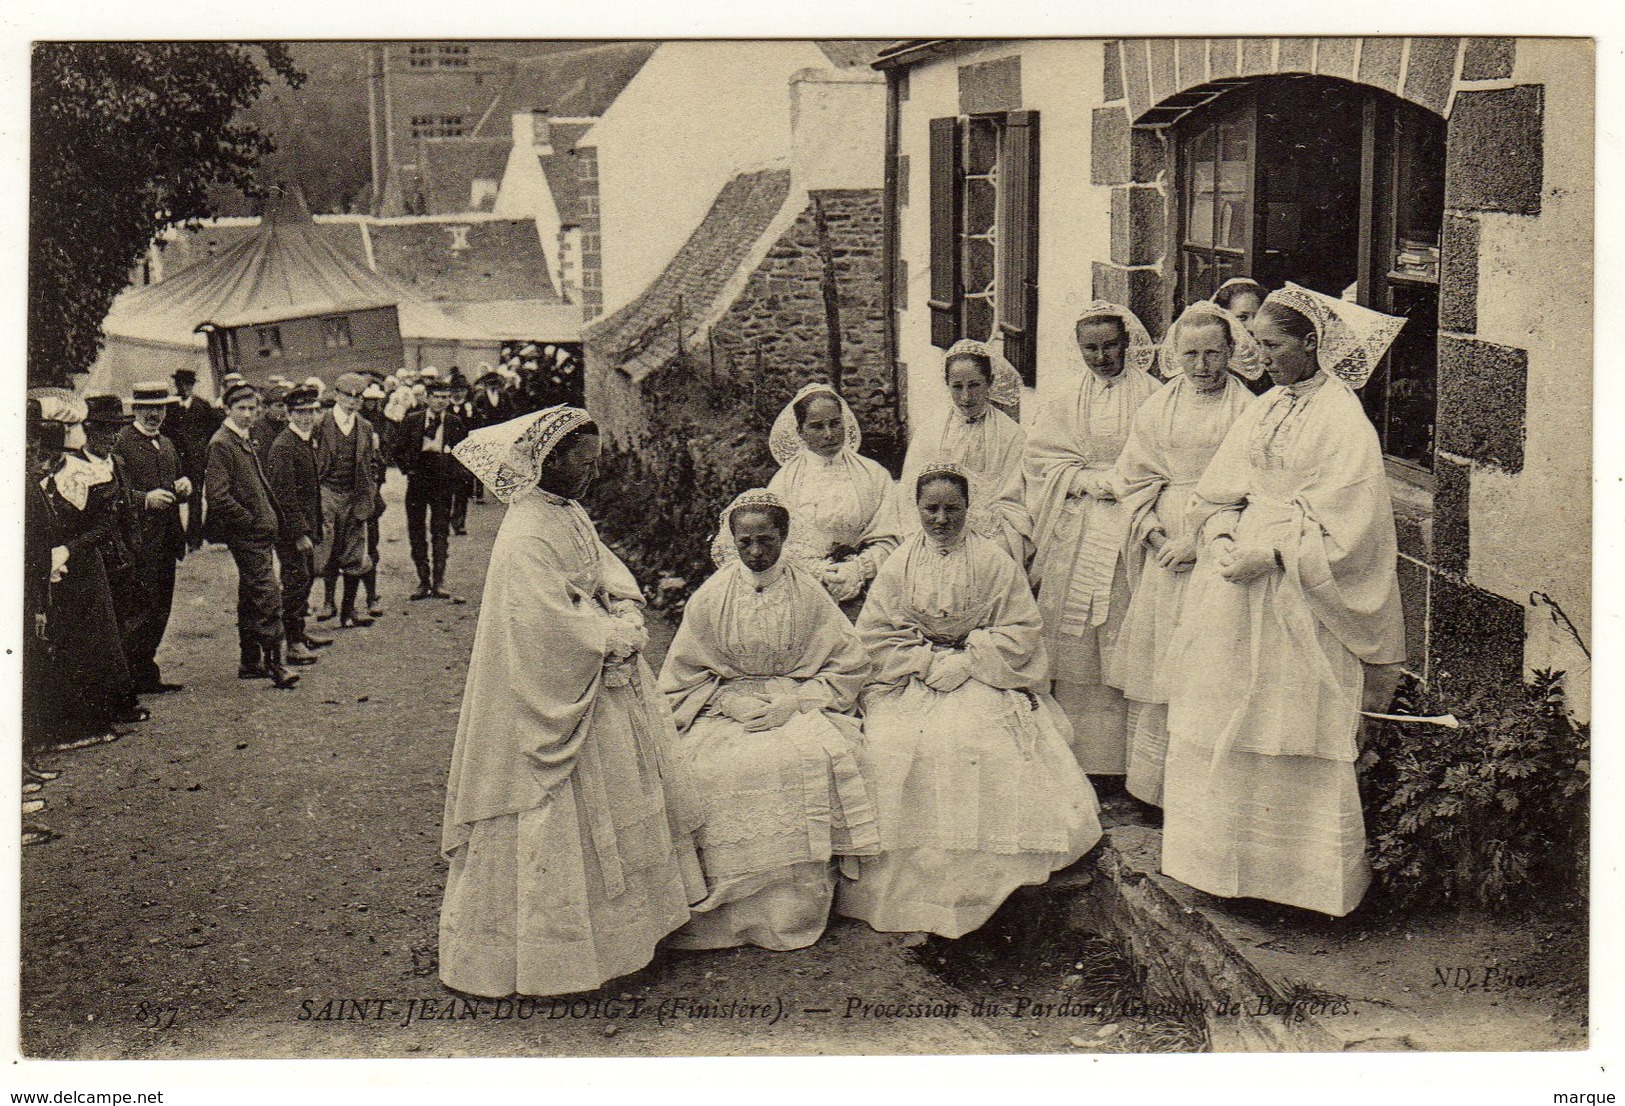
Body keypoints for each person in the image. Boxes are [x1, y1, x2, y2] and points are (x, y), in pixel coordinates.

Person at [1159, 284, 1408, 917]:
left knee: (1288, 719)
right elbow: (1220, 488)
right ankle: (1220, 868)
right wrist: (1217, 533)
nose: (1259, 355)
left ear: (1310, 343)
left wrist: (1271, 555)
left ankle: (1298, 885)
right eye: (1258, 343)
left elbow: (1353, 531)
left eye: (1272, 344)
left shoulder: (1341, 420)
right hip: (1233, 585)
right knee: (1223, 708)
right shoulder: (1266, 408)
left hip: (1297, 593)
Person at [439, 405, 703, 998]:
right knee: (550, 810)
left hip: (597, 679)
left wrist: (627, 606)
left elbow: (602, 570)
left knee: (622, 791)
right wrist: (610, 636)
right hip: (553, 686)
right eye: (580, 467)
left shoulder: (567, 511)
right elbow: (546, 621)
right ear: (548, 462)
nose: (588, 477)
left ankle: (629, 938)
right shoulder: (526, 532)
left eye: (592, 466)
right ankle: (554, 959)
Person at [837, 463, 1102, 938]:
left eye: (951, 509)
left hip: (981, 673)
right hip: (913, 676)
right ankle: (916, 886)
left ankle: (984, 883)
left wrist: (971, 657)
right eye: (930, 508)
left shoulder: (995, 561)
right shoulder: (899, 564)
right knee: (892, 742)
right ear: (915, 509)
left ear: (967, 509)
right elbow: (875, 633)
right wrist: (923, 660)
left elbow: (1023, 630)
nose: (941, 519)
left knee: (975, 738)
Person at [658, 490, 879, 951]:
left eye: (767, 541)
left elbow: (849, 664)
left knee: (800, 760)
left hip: (795, 702)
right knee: (707, 770)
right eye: (746, 542)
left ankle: (792, 910)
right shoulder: (713, 595)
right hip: (726, 706)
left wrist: (797, 702)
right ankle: (729, 910)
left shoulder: (808, 593)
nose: (756, 552)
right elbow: (682, 676)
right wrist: (724, 700)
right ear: (731, 541)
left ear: (784, 537)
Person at [1106, 303, 1261, 807]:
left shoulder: (1249, 409)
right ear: (1174, 355)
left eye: (1213, 354)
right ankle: (1154, 788)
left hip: (1221, 537)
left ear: (1232, 353)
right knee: (1161, 655)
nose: (1202, 366)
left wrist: (1201, 541)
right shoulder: (1158, 407)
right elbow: (1133, 476)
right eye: (1191, 354)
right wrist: (1154, 536)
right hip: (1164, 542)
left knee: (1209, 655)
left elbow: (1254, 488)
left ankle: (1202, 790)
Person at [1024, 302, 1160, 779]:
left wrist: (1124, 485)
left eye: (1110, 346)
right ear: (1078, 349)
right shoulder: (1064, 397)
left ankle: (1126, 763)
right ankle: (1078, 758)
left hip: (1131, 522)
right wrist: (1082, 480)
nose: (1101, 357)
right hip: (1079, 519)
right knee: (1074, 631)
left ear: (1128, 344)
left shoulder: (1153, 394)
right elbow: (1041, 458)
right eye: (1091, 348)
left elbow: (1161, 458)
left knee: (1121, 622)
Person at [30, 388, 147, 738]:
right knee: (71, 638)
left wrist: (68, 548)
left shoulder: (90, 473)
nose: (44, 456)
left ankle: (111, 703)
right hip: (58, 566)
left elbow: (105, 524)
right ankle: (81, 714)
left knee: (102, 635)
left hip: (86, 562)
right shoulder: (45, 474)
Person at [897, 339, 1032, 567]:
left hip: (991, 530)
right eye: (957, 386)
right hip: (936, 524)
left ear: (989, 382)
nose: (966, 396)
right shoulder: (931, 431)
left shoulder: (1011, 434)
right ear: (947, 384)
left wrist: (982, 526)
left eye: (974, 385)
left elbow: (1016, 497)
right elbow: (910, 490)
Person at [766, 383, 900, 614]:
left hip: (870, 586)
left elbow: (892, 535)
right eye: (817, 427)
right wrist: (819, 572)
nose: (829, 434)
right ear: (800, 432)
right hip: (803, 589)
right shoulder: (784, 482)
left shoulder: (873, 474)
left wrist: (858, 569)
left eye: (835, 423)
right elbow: (776, 544)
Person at [205, 384, 300, 690]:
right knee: (268, 594)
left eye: (252, 409)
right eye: (241, 408)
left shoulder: (241, 438)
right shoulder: (222, 443)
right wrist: (251, 522)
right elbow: (218, 496)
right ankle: (275, 663)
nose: (248, 414)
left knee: (251, 594)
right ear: (227, 409)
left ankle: (250, 661)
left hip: (259, 533)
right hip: (249, 536)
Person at [112, 382, 194, 694]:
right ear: (134, 409)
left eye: (159, 408)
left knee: (161, 608)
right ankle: (131, 676)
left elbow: (172, 486)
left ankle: (146, 672)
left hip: (166, 540)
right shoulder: (121, 443)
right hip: (138, 543)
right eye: (147, 408)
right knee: (138, 610)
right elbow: (112, 492)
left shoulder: (167, 444)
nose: (154, 415)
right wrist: (144, 499)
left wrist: (181, 487)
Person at [265, 386, 328, 666]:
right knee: (295, 581)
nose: (306, 417)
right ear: (289, 414)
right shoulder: (284, 446)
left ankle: (299, 633)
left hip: (306, 525)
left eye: (310, 412)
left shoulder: (303, 440)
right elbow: (284, 495)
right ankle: (292, 643)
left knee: (305, 578)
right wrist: (299, 533)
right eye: (300, 412)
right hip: (292, 530)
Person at [313, 373, 382, 629]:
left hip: (354, 496)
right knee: (328, 550)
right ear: (337, 396)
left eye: (358, 397)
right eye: (347, 396)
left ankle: (348, 610)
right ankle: (328, 602)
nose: (352, 402)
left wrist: (369, 488)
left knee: (354, 554)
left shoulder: (364, 427)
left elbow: (372, 462)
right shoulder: (321, 424)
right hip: (327, 493)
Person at [396, 376, 468, 600]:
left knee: (440, 530)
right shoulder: (412, 420)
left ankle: (439, 581)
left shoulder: (454, 422)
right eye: (436, 397)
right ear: (426, 398)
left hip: (442, 480)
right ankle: (423, 580)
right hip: (418, 479)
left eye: (445, 397)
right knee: (416, 529)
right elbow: (397, 448)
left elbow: (463, 453)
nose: (440, 402)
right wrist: (408, 468)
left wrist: (453, 474)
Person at [166, 367, 223, 551]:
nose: (184, 388)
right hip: (176, 460)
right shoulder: (169, 406)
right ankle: (176, 539)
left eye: (188, 384)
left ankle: (194, 539)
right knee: (173, 497)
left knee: (196, 498)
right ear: (176, 385)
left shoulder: (202, 406)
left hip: (197, 460)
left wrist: (204, 448)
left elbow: (214, 428)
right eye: (181, 384)